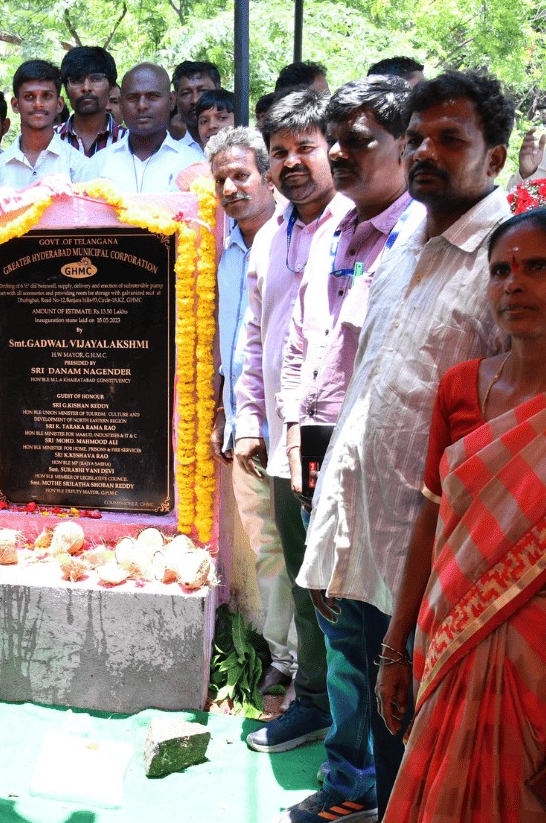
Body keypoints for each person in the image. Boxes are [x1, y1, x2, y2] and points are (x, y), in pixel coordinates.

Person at [297, 70, 514, 819]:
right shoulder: (406, 239)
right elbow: (367, 392)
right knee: (389, 738)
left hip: (449, 557)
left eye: (449, 139)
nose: (424, 152)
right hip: (370, 539)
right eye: (417, 138)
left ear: (495, 155)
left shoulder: (510, 260)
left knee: (438, 753)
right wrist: (332, 528)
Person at [275, 76, 425, 822]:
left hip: (384, 475)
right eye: (334, 141)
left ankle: (388, 792)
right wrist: (291, 434)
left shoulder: (419, 238)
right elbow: (302, 344)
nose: (339, 154)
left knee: (383, 644)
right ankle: (350, 782)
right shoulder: (334, 231)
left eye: (358, 141)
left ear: (405, 147)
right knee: (339, 636)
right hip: (318, 457)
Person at [378, 208, 546, 823]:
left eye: (537, 267)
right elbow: (430, 522)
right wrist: (394, 649)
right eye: (501, 271)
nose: (514, 284)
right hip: (449, 639)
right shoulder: (459, 387)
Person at [234, 89, 353, 765]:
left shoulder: (358, 226)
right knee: (307, 578)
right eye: (279, 152)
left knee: (349, 589)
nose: (292, 163)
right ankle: (312, 702)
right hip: (287, 444)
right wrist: (250, 421)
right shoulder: (270, 237)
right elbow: (254, 338)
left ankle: (360, 726)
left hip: (344, 438)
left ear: (332, 150)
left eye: (305, 147)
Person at [205, 127, 297, 706]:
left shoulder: (297, 239)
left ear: (267, 176)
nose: (231, 188)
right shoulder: (225, 251)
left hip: (292, 425)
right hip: (244, 425)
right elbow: (231, 344)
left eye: (241, 175)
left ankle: (318, 669)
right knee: (266, 545)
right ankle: (284, 659)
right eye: (221, 179)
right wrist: (226, 411)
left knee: (302, 549)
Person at [81, 63, 205, 193]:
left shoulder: (194, 164)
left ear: (171, 100)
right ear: (121, 103)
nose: (141, 106)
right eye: (132, 98)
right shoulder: (98, 165)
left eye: (153, 97)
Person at [0, 60, 85, 192]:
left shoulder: (78, 165)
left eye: (47, 96)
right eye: (29, 97)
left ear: (59, 104)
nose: (38, 104)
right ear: (15, 104)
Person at [56, 46, 125, 157]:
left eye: (96, 79)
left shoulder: (129, 141)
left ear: (111, 88)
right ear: (66, 90)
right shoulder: (49, 139)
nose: (86, 88)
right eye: (76, 80)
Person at [173, 60, 222, 148]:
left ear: (218, 92)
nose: (195, 100)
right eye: (186, 93)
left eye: (203, 91)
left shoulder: (240, 145)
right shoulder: (172, 153)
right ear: (176, 99)